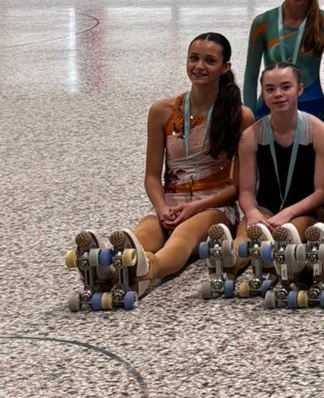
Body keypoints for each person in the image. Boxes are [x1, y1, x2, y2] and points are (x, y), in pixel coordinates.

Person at [68, 31, 253, 310]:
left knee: (183, 235)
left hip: (212, 205)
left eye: (209, 61)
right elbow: (152, 176)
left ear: (225, 67)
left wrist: (195, 207)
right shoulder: (162, 111)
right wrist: (162, 207)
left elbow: (238, 187)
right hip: (169, 202)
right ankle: (109, 269)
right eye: (193, 58)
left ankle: (147, 271)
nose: (199, 66)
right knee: (142, 234)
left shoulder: (240, 115)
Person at [217, 63, 324, 303]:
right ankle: (229, 258)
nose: (278, 94)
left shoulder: (319, 132)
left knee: (287, 233)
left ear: (299, 90)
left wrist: (288, 213)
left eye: (285, 87)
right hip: (265, 208)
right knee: (249, 234)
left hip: (304, 210)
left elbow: (321, 193)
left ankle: (277, 261)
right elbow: (246, 190)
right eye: (270, 89)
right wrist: (251, 212)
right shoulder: (251, 136)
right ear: (263, 93)